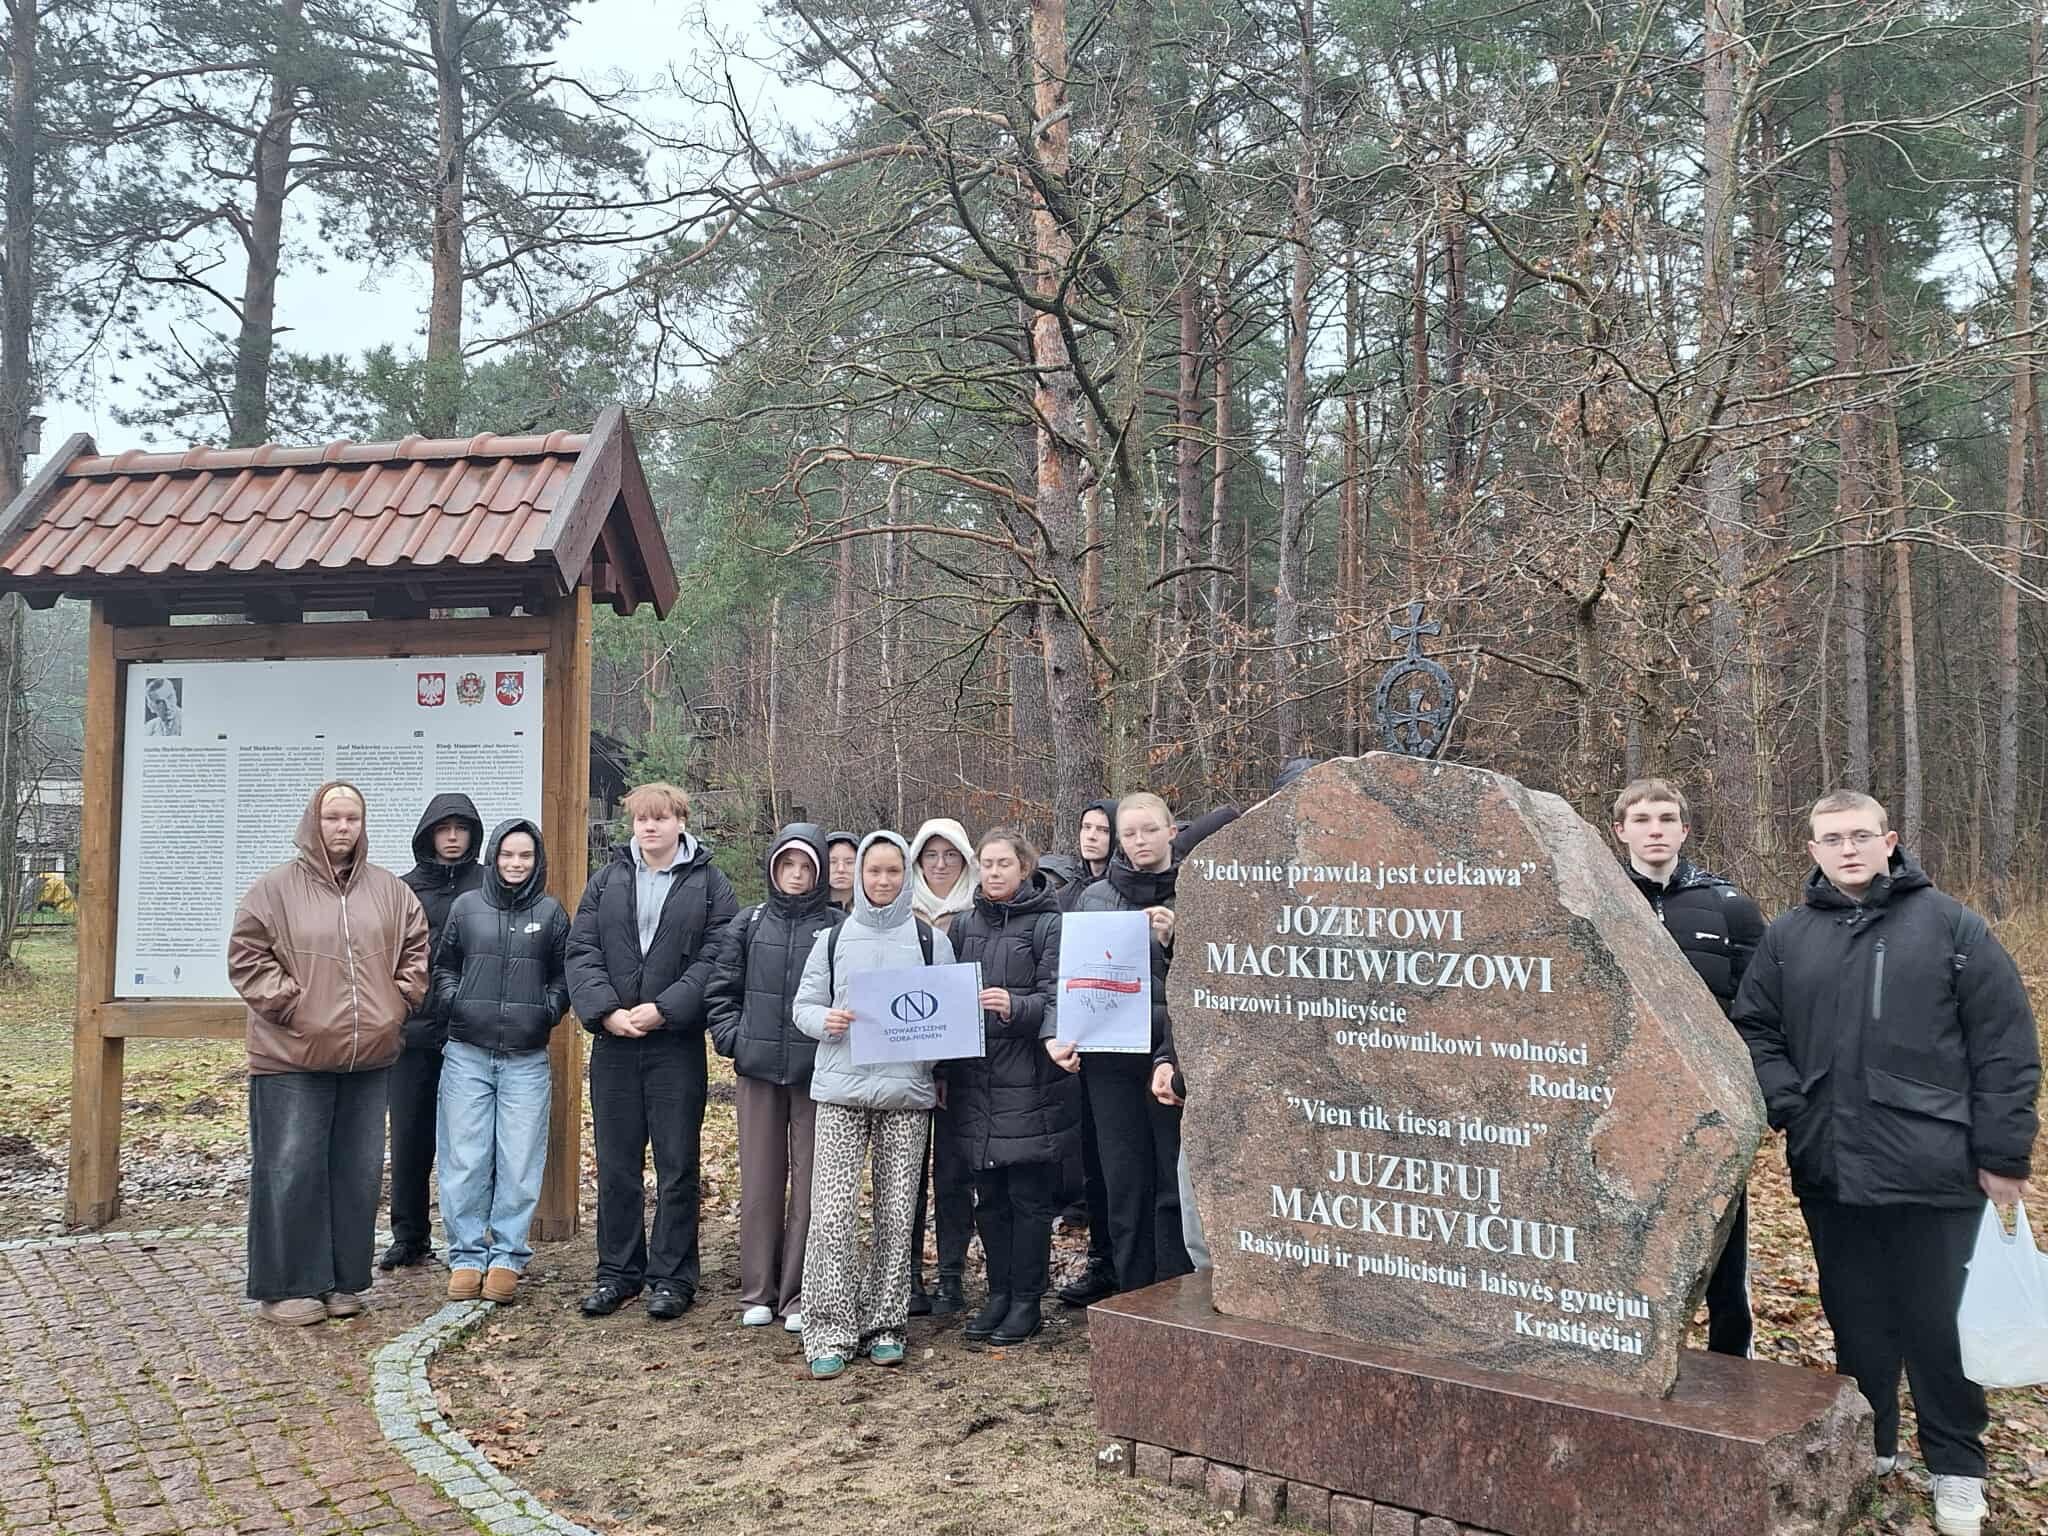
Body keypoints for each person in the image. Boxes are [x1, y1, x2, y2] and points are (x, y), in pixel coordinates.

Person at [1733, 790, 2039, 1536]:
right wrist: (1791, 1104)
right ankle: (1871, 1443)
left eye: (1861, 835)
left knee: (1939, 1325)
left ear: (1889, 840)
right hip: (1830, 1166)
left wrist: (2003, 1153)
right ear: (1813, 849)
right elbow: (1756, 1027)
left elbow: (2004, 1044)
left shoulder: (1952, 926)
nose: (1849, 849)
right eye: (1833, 838)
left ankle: (1957, 1467)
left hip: (1937, 1171)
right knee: (1857, 1319)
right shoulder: (1788, 937)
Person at [227, 782, 429, 1325]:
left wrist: (395, 1005)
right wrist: (295, 1008)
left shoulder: (390, 891)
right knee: (291, 1169)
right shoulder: (274, 891)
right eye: (333, 817)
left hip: (368, 1058)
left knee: (355, 1171)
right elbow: (247, 958)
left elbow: (416, 952)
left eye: (352, 818)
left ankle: (342, 1280)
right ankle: (287, 1286)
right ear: (313, 822)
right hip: (292, 1057)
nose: (343, 827)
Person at [567, 782, 738, 1321]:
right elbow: (582, 949)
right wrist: (606, 1011)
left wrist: (666, 1008)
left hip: (675, 1044)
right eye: (642, 819)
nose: (649, 827)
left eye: (660, 818)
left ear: (680, 822)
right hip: (614, 1043)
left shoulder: (709, 883)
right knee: (616, 1165)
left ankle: (672, 1277)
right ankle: (617, 1273)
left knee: (676, 1165)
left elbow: (718, 955)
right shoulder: (607, 879)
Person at [1610, 777, 1764, 1357]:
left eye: (1667, 819)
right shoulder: (1598, 896)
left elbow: (1760, 1007)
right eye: (1643, 819)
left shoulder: (1729, 906)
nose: (1656, 830)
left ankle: (1732, 1358)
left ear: (1684, 830)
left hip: (1710, 1104)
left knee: (1724, 1239)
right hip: (1621, 1100)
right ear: (1620, 831)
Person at [792, 833, 955, 1378]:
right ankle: (828, 1328)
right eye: (874, 871)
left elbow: (948, 1019)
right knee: (832, 1214)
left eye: (892, 871)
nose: (883, 881)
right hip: (841, 1092)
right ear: (859, 875)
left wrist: (931, 1055)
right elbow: (803, 1006)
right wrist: (825, 1020)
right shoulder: (833, 938)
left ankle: (886, 1325)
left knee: (896, 1214)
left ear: (906, 875)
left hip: (906, 1096)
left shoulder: (931, 942)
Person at [706, 824, 842, 1334]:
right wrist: (735, 1040)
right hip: (758, 1072)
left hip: (818, 1075)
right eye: (788, 865)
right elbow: (721, 989)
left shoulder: (837, 927)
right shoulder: (750, 922)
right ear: (773, 867)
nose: (797, 875)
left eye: (807, 866)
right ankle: (758, 1291)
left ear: (820, 873)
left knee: (811, 1185)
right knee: (761, 1182)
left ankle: (799, 1293)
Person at [943, 826, 1074, 1345]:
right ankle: (997, 1294)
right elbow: (943, 999)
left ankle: (1027, 1300)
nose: (994, 872)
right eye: (987, 863)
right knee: (989, 1199)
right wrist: (942, 1070)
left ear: (1024, 868)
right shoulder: (963, 924)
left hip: (1031, 1082)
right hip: (975, 1081)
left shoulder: (1049, 923)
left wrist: (1015, 1007)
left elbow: (1059, 996)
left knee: (1028, 1198)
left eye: (1004, 864)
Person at [430, 819, 570, 1304]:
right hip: (467, 1054)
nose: (516, 863)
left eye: (525, 856)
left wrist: (547, 1010)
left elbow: (563, 976)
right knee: (465, 1158)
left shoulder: (551, 913)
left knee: (519, 1160)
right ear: (494, 857)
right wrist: (456, 1002)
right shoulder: (467, 907)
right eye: (507, 854)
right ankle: (467, 1255)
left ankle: (508, 1255)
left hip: (526, 1059)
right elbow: (444, 966)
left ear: (537, 860)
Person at [1061, 792, 1192, 1295]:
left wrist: (1175, 941)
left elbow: (1212, 976)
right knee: (1123, 1180)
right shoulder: (1095, 897)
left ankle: (1175, 1292)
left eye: (1149, 830)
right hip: (1110, 1055)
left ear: (1171, 831)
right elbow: (1073, 974)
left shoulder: (1196, 890)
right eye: (1130, 833)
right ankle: (1133, 1295)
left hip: (1171, 1054)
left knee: (1171, 1179)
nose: (1140, 841)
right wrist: (1066, 1033)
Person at [383, 793, 484, 1271]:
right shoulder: (404, 891)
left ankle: (471, 1236)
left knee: (470, 1143)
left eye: (461, 829)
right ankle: (409, 1235)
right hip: (414, 1034)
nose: (452, 838)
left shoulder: (487, 886)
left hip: (471, 1030)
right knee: (409, 1138)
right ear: (428, 834)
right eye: (444, 829)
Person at [906, 816, 979, 1315]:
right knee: (908, 1175)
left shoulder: (976, 911)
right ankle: (908, 1273)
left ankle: (951, 1273)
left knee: (953, 1174)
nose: (940, 864)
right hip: (907, 1065)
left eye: (950, 855)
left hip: (961, 1069)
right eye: (930, 855)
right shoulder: (899, 911)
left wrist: (947, 1070)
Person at [1055, 797, 1123, 1305]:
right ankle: (1100, 1259)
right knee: (1092, 1161)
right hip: (1081, 1038)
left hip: (1126, 1038)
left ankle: (1127, 1261)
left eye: (1102, 828)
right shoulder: (1067, 893)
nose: (1092, 836)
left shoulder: (1126, 890)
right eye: (1086, 827)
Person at [825, 831, 858, 913]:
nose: (841, 869)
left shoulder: (873, 909)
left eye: (849, 862)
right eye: (833, 862)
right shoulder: (809, 909)